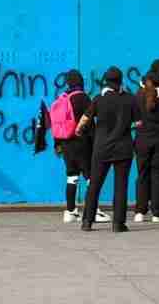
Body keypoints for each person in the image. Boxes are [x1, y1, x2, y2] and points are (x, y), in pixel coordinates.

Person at [76, 66, 141, 233]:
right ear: (120, 82)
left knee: (95, 185)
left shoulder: (98, 99)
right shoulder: (130, 99)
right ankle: (118, 224)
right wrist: (126, 126)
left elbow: (85, 119)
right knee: (121, 186)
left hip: (101, 148)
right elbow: (139, 123)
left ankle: (87, 221)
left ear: (106, 81)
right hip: (123, 148)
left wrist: (79, 130)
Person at [52, 69, 109, 224]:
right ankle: (93, 210)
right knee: (91, 177)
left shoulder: (63, 98)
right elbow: (89, 123)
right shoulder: (84, 98)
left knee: (72, 177)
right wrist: (95, 142)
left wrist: (57, 144)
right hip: (83, 143)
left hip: (66, 143)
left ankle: (70, 212)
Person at [132, 72, 159, 224]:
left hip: (143, 140)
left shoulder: (139, 96)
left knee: (142, 174)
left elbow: (135, 118)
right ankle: (157, 213)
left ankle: (140, 211)